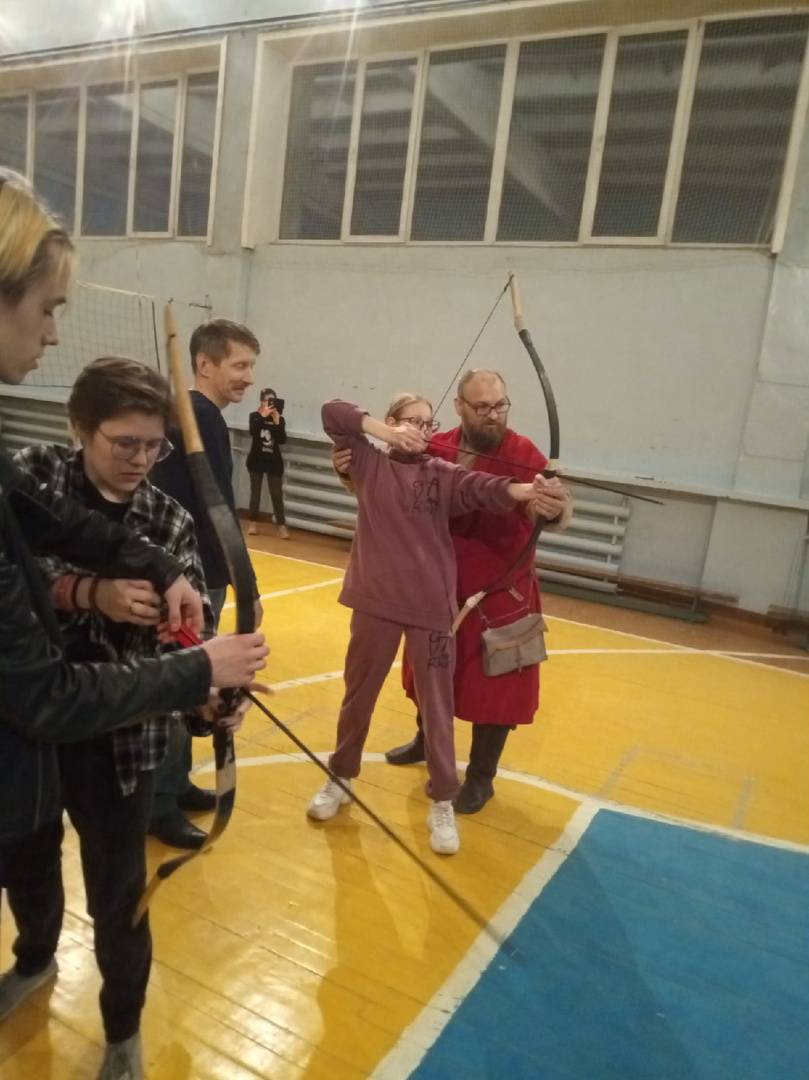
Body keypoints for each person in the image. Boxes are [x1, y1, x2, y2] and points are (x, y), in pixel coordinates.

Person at [0, 169, 267, 1078]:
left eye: (155, 446)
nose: (142, 461)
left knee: (121, 900)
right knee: (29, 868)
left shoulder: (167, 521)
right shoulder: (35, 475)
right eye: (124, 444)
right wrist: (91, 595)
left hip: (117, 742)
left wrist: (209, 695)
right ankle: (35, 959)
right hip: (34, 736)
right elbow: (33, 573)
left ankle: (120, 1029)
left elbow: (190, 643)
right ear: (80, 430)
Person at [309, 395, 547, 856]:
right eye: (412, 422)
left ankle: (442, 799)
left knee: (438, 705)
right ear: (392, 422)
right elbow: (332, 412)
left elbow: (485, 488)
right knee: (358, 696)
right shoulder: (367, 462)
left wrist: (527, 491)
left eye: (427, 423)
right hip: (375, 601)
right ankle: (340, 777)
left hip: (431, 609)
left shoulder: (441, 472)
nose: (421, 430)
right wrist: (384, 433)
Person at [149, 319, 264, 849]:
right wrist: (248, 585)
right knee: (182, 684)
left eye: (250, 366)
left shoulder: (198, 417)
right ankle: (158, 804)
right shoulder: (198, 418)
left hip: (197, 576)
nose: (248, 377)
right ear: (204, 365)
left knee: (194, 682)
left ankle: (174, 784)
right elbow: (215, 508)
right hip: (190, 580)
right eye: (239, 365)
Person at [246, 387, 288, 539]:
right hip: (256, 460)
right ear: (261, 402)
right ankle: (252, 523)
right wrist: (262, 416)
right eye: (268, 400)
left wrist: (277, 422)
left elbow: (282, 440)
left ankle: (281, 526)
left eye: (273, 401)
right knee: (255, 493)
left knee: (276, 494)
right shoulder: (254, 416)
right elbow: (253, 432)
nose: (270, 404)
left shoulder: (279, 419)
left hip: (273, 462)